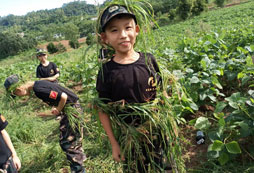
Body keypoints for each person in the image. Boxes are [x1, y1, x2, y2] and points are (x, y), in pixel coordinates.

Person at [96, 4, 166, 172]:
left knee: (163, 168)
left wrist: (166, 125)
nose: (123, 35)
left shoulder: (149, 61)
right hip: (130, 139)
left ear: (136, 30)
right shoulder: (107, 71)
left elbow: (162, 94)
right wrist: (114, 144)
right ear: (104, 38)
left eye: (128, 28)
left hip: (157, 133)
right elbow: (103, 109)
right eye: (114, 30)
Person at [4, 74, 86, 173]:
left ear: (18, 89)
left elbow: (63, 97)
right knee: (73, 139)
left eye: (16, 94)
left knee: (68, 142)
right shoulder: (38, 85)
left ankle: (79, 170)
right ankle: (80, 165)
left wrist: (58, 109)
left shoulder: (38, 90)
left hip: (73, 110)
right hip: (73, 108)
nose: (19, 96)